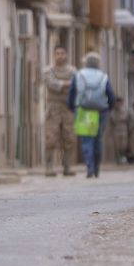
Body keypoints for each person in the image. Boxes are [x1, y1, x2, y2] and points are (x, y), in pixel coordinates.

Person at [68, 53, 115, 178]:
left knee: (86, 140)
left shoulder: (79, 75)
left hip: (84, 110)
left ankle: (89, 166)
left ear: (85, 62)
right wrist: (109, 108)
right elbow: (110, 94)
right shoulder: (103, 76)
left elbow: (72, 93)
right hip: (101, 111)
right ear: (98, 63)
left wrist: (72, 107)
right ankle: (97, 167)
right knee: (98, 138)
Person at [41, 45, 78, 177]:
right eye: (57, 53)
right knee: (51, 138)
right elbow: (51, 83)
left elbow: (76, 84)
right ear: (54, 55)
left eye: (62, 53)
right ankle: (49, 167)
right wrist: (65, 84)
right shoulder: (48, 70)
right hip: (53, 107)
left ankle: (67, 166)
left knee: (69, 138)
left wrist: (62, 84)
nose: (60, 56)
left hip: (68, 107)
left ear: (66, 55)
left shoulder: (73, 70)